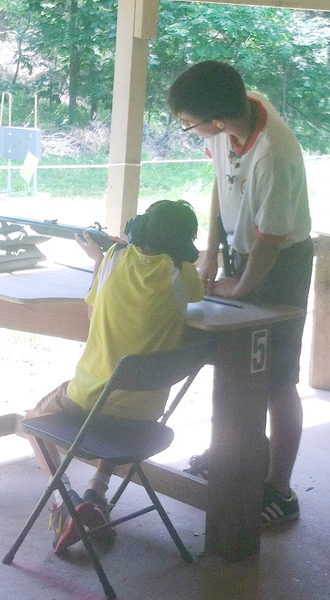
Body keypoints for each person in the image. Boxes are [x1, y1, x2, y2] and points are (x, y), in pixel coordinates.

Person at [167, 60, 314, 527]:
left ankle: (280, 488)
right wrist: (212, 251)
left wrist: (240, 287)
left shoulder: (275, 151)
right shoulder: (235, 120)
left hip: (282, 264)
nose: (190, 131)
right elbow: (220, 183)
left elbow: (271, 240)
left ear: (216, 118)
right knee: (233, 357)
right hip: (240, 248)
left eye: (190, 123)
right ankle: (230, 455)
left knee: (277, 379)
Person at [24, 199, 205, 553]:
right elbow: (197, 291)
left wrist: (98, 259)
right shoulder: (181, 275)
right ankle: (96, 495)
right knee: (118, 409)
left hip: (88, 398)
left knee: (31, 421)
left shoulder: (112, 259)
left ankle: (67, 502)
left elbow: (92, 314)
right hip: (144, 414)